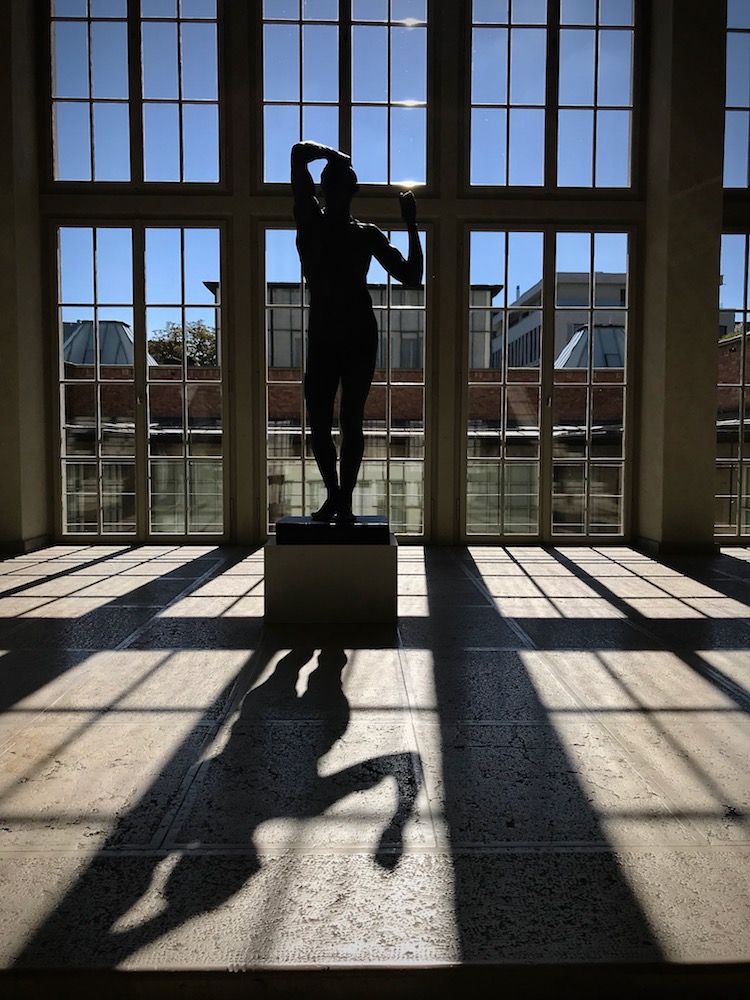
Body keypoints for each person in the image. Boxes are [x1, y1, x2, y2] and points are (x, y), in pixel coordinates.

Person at [291, 141, 423, 524]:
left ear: (351, 190)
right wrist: (336, 156)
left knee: (351, 420)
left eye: (338, 181)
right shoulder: (310, 220)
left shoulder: (365, 233)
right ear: (321, 190)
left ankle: (343, 501)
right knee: (319, 420)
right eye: (328, 181)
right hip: (325, 334)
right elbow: (298, 153)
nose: (331, 188)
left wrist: (411, 224)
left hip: (358, 334)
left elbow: (411, 277)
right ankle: (338, 498)